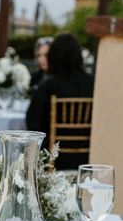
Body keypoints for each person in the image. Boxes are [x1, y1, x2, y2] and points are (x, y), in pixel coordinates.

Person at [26, 32, 94, 169]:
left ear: (53, 57)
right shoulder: (93, 85)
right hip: (89, 156)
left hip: (55, 158)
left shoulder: (48, 87)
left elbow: (32, 123)